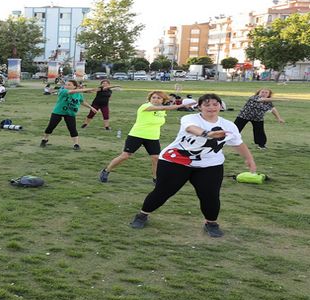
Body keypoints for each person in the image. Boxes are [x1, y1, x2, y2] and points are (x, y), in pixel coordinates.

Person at [130, 93, 257, 238]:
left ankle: (211, 223)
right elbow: (191, 129)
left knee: (210, 196)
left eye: (215, 104)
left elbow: (237, 143)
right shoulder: (189, 118)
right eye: (207, 104)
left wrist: (249, 159)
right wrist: (208, 134)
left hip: (210, 164)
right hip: (175, 160)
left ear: (221, 106)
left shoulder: (229, 125)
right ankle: (142, 215)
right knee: (163, 191)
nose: (211, 107)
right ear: (199, 107)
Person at [99, 91, 192, 184]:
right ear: (150, 99)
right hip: (137, 135)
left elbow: (163, 108)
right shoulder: (145, 106)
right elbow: (164, 107)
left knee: (155, 158)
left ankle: (156, 178)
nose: (156, 99)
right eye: (154, 97)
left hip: (153, 137)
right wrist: (181, 105)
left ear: (163, 100)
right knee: (125, 155)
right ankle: (106, 170)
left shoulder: (162, 110)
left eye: (159, 98)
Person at [40, 79, 99, 151]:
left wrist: (91, 107)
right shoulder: (63, 91)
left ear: (74, 86)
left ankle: (76, 144)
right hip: (58, 112)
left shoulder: (79, 94)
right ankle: (44, 139)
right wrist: (89, 89)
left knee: (72, 128)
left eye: (69, 85)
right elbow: (72, 91)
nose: (66, 86)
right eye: (66, 85)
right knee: (51, 126)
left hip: (70, 113)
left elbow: (82, 101)